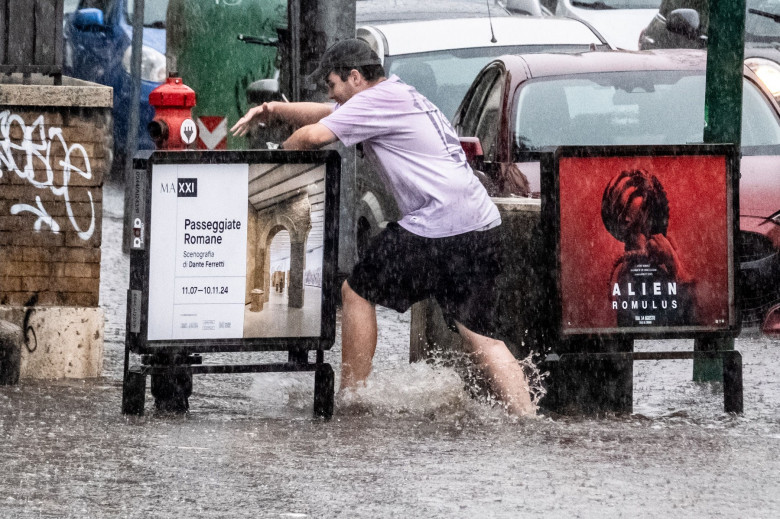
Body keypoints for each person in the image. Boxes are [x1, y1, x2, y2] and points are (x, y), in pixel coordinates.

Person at [232, 39, 533, 417]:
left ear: (355, 77)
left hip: (438, 223)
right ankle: (527, 420)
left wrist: (272, 163)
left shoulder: (373, 103)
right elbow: (326, 113)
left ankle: (352, 398)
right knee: (481, 335)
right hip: (480, 222)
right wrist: (272, 110)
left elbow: (314, 135)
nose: (332, 95)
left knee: (355, 291)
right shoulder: (396, 94)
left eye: (333, 84)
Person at [601, 169, 697, 327]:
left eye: (642, 225)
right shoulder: (626, 276)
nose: (640, 241)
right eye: (631, 230)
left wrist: (675, 266)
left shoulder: (667, 257)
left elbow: (695, 320)